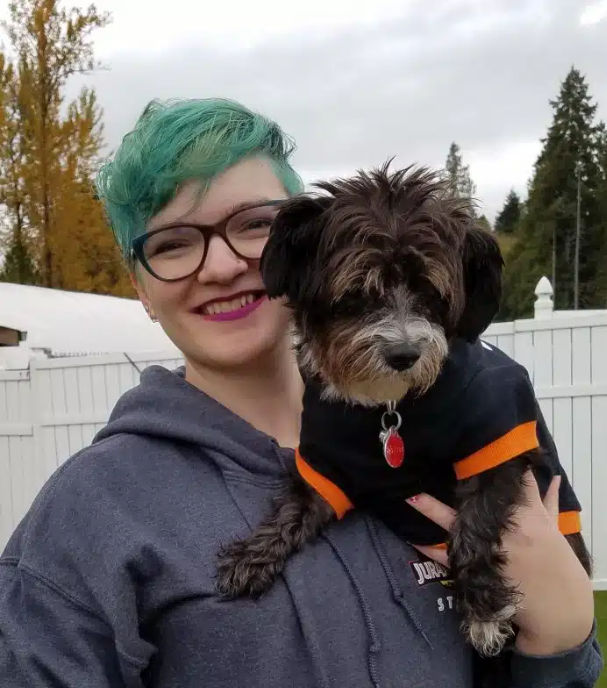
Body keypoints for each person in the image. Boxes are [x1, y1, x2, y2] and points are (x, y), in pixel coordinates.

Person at [0, 98, 601, 687]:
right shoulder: (91, 512)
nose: (220, 266)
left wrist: (562, 642)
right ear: (141, 288)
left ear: (305, 243)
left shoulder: (440, 419)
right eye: (173, 243)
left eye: (254, 225)